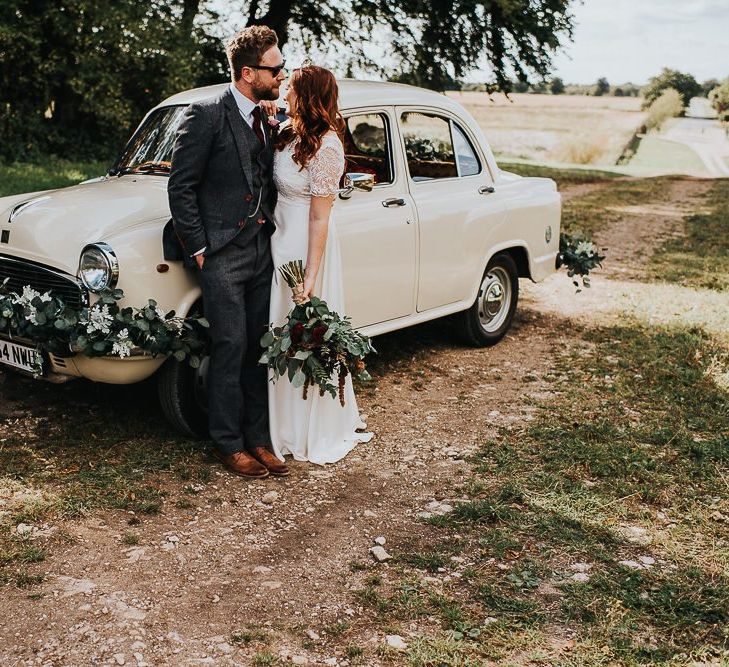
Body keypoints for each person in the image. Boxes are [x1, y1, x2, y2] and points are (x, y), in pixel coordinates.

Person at [167, 26, 290, 479]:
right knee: (229, 344)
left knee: (259, 346)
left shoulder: (266, 115)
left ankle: (258, 439)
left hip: (261, 248)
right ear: (247, 73)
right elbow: (181, 187)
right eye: (275, 69)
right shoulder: (206, 115)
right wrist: (199, 247)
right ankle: (228, 443)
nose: (282, 75)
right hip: (220, 253)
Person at [267, 65, 373, 464]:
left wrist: (311, 275)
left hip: (305, 246)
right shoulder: (288, 134)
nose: (285, 93)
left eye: (291, 88)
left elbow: (319, 217)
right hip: (277, 238)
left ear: (307, 95)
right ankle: (277, 421)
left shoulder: (328, 146)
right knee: (276, 327)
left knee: (300, 331)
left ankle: (304, 426)